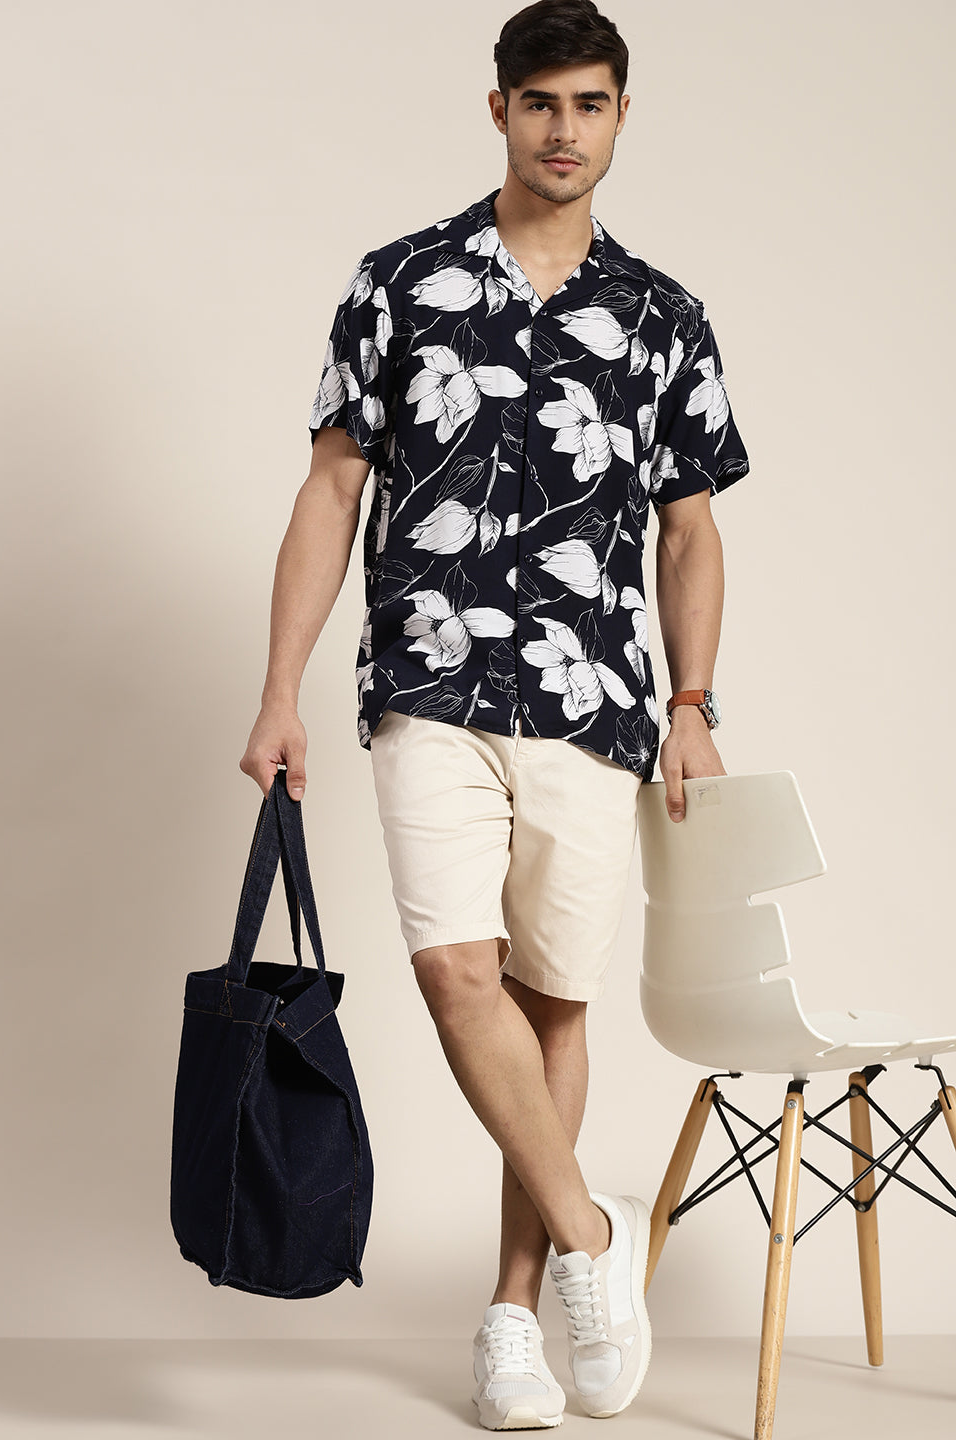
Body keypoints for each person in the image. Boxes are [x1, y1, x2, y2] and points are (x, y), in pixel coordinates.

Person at [240, 0, 751, 1426]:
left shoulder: (663, 318)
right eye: (540, 102)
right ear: (499, 111)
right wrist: (278, 692)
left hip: (595, 703)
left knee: (552, 1001)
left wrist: (693, 702)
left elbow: (691, 531)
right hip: (427, 682)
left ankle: (516, 1318)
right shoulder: (399, 283)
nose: (563, 130)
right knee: (457, 972)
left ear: (621, 115)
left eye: (589, 103)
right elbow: (331, 491)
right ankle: (593, 1234)